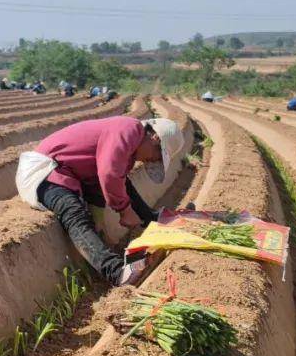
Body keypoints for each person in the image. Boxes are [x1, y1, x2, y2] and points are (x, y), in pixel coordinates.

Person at [15, 116, 183, 286]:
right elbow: (108, 174)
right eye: (157, 156)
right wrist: (125, 210)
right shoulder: (129, 129)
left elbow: (101, 179)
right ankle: (117, 272)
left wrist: (99, 222)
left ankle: (152, 219)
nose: (153, 161)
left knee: (123, 181)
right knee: (74, 212)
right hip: (43, 172)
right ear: (154, 138)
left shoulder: (130, 143)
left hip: (67, 172)